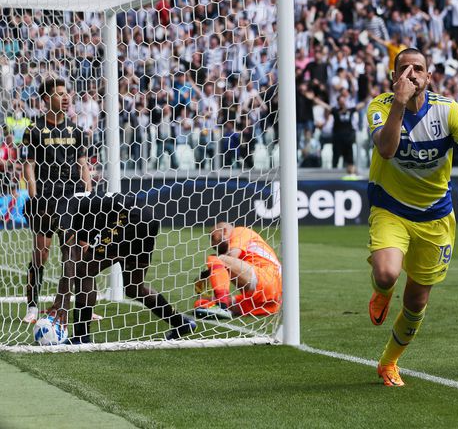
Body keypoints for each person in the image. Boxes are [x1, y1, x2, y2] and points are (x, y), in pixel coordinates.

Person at [366, 48, 458, 387]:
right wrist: (398, 103)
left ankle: (388, 362)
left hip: (435, 215)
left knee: (417, 301)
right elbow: (388, 150)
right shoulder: (379, 107)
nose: (411, 73)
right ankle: (382, 289)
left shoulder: (448, 110)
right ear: (394, 77)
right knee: (388, 272)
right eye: (403, 68)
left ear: (429, 76)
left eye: (417, 68)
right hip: (391, 207)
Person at [48, 192, 196, 344]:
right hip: (146, 216)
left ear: (44, 212)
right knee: (134, 288)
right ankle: (181, 323)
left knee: (83, 271)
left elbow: (70, 258)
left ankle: (81, 336)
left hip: (127, 217)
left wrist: (63, 304)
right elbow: (83, 248)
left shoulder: (61, 212)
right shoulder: (78, 208)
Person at [21, 78, 92, 323]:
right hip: (46, 196)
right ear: (46, 99)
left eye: (66, 94)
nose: (65, 98)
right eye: (59, 94)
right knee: (41, 253)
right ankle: (32, 307)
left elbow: (84, 165)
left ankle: (83, 307)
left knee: (77, 253)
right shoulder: (35, 129)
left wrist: (87, 193)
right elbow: (28, 164)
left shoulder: (76, 131)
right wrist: (34, 192)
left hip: (73, 196)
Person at [193, 222, 282, 318]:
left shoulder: (239, 231)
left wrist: (206, 275)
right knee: (203, 304)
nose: (212, 244)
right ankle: (222, 305)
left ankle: (222, 306)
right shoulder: (246, 245)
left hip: (267, 278)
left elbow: (231, 257)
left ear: (224, 231)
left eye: (212, 237)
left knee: (216, 259)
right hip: (271, 300)